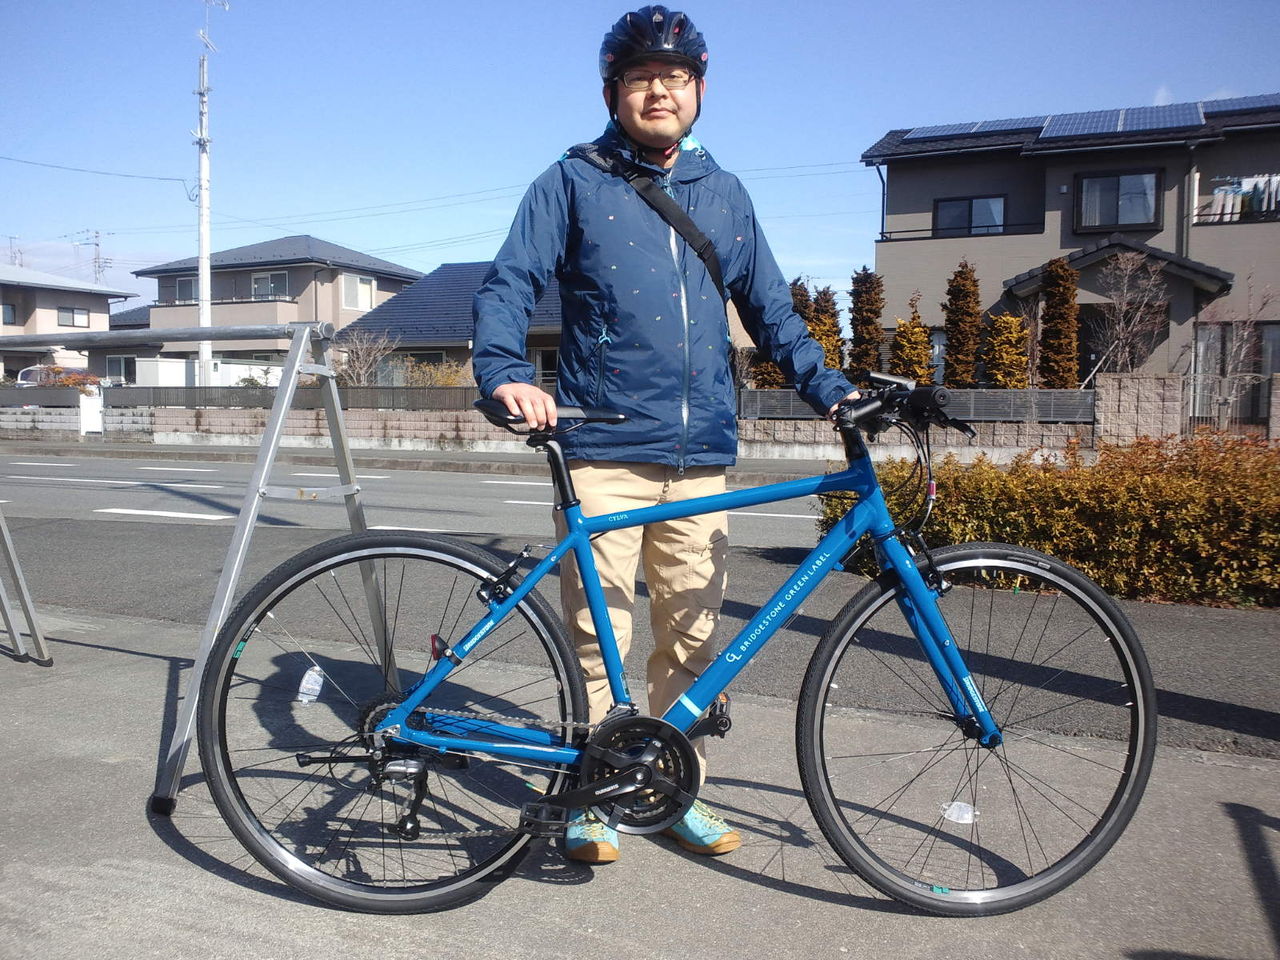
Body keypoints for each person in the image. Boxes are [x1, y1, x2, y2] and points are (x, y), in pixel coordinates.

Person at [473, 5, 857, 865]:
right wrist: (502, 371)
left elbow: (773, 312)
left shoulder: (726, 193)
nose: (659, 91)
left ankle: (673, 788)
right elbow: (510, 282)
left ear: (699, 89)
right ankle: (591, 793)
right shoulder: (572, 181)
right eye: (641, 77)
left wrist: (832, 392)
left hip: (699, 457)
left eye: (675, 77)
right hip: (603, 447)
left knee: (691, 639)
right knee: (598, 637)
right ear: (613, 92)